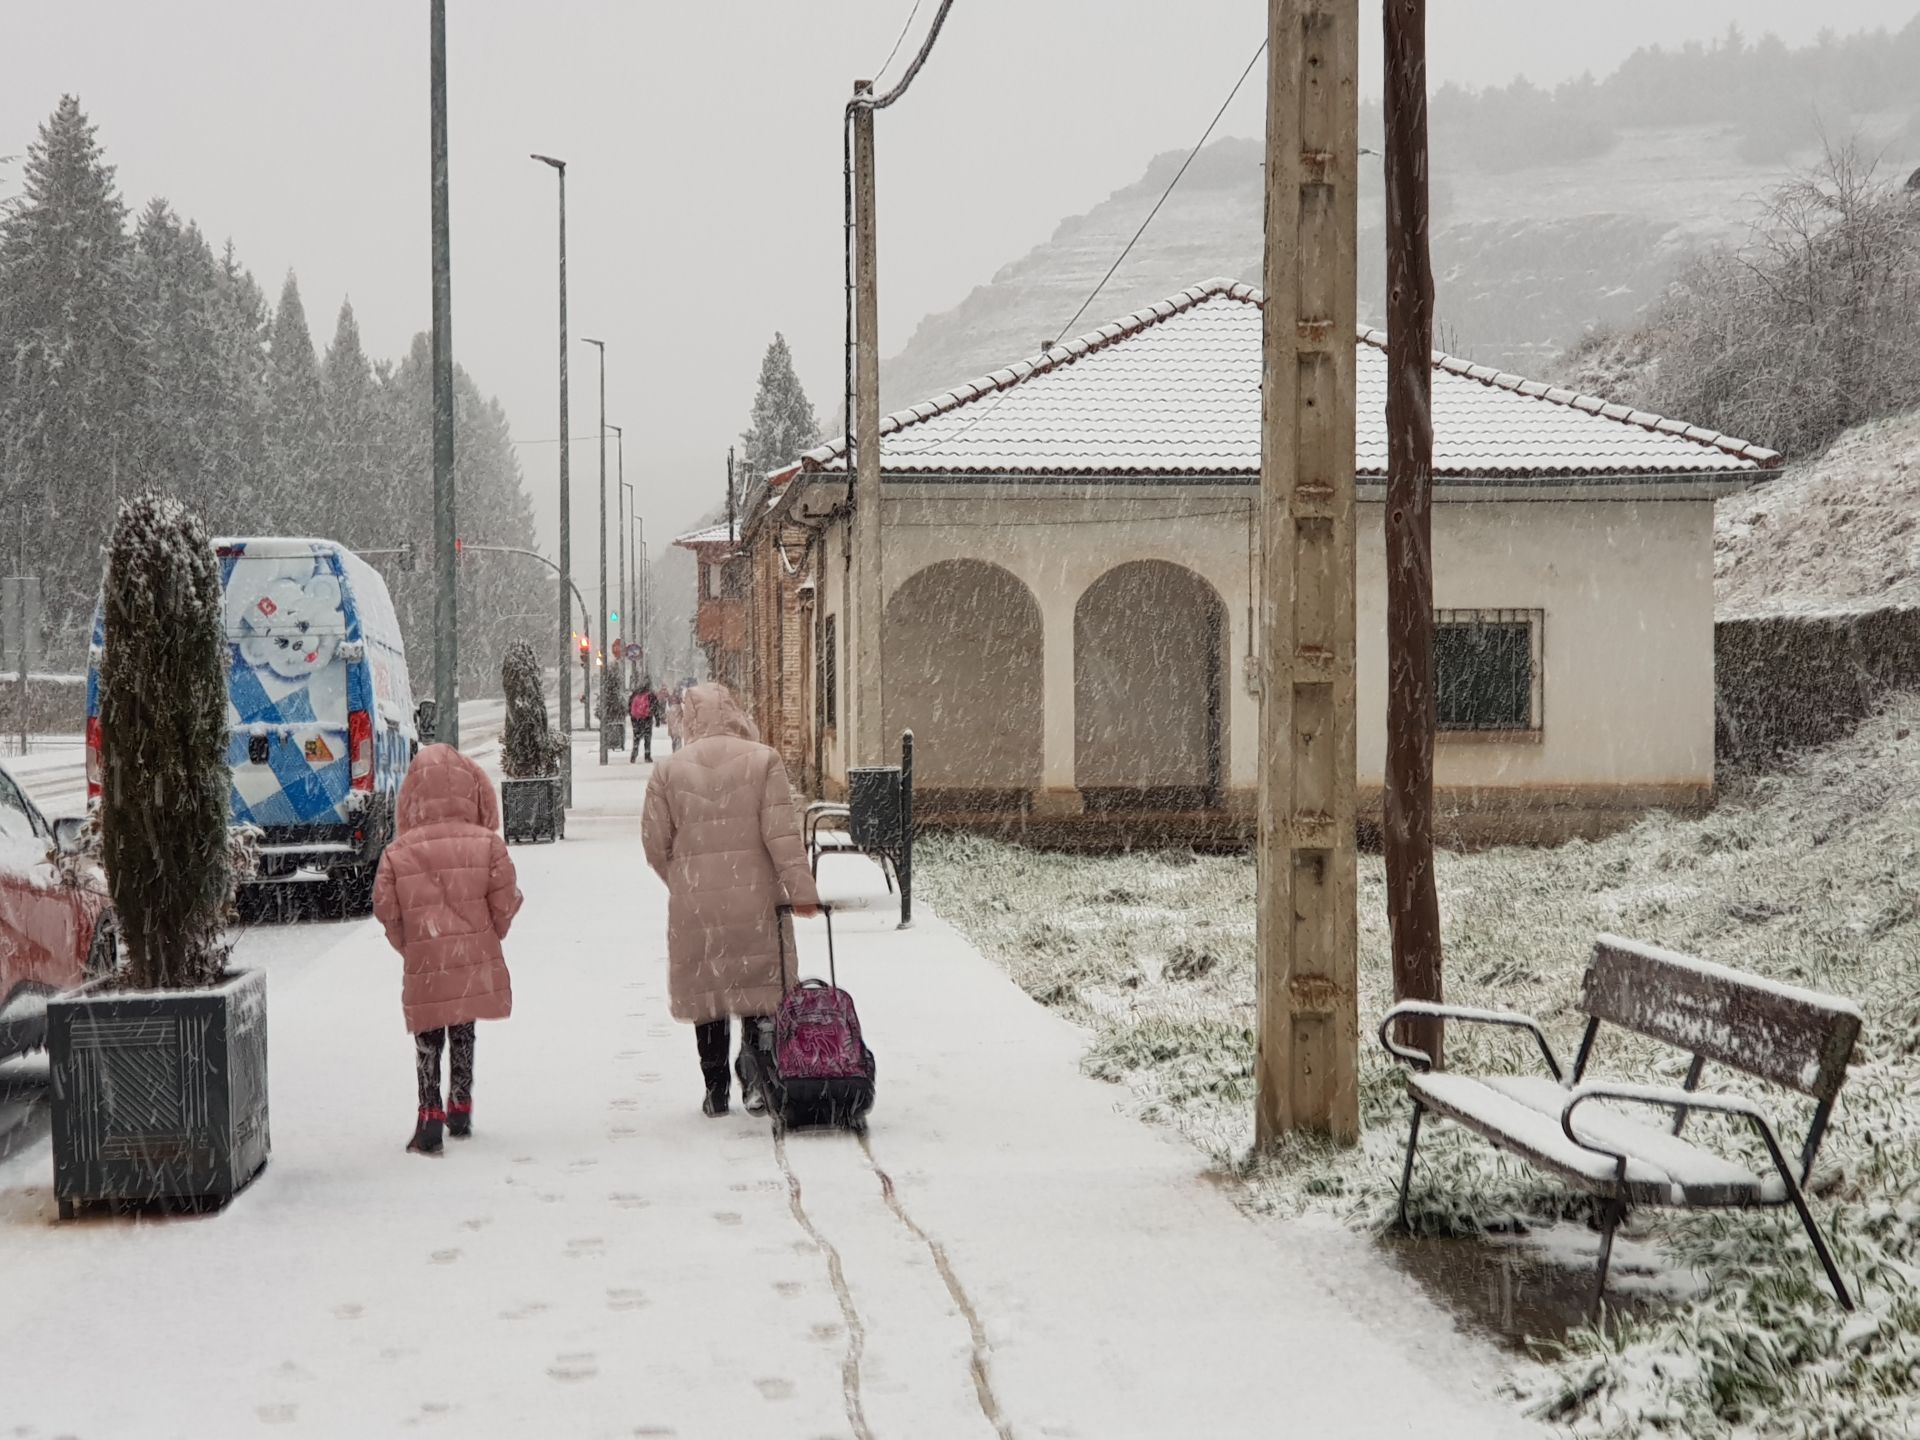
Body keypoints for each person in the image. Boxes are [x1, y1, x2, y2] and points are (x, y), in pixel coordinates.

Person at [642, 683, 820, 1117]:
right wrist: (802, 893)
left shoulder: (669, 771)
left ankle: (715, 1089)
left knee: (710, 995)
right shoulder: (763, 761)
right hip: (755, 899)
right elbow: (782, 837)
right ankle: (757, 1080)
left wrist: (684, 880)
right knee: (759, 991)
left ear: (690, 719)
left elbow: (653, 844)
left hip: (697, 905)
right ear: (735, 712)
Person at [373, 744, 523, 1155]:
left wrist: (411, 943)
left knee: (427, 1035)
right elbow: (507, 899)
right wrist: (488, 935)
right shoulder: (487, 844)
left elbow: (385, 908)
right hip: (468, 953)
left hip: (425, 953)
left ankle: (428, 1117)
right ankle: (460, 1104)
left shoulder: (397, 852)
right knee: (462, 1024)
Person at [629, 681, 655, 764]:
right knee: (647, 739)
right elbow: (655, 706)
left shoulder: (634, 695)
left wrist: (633, 719)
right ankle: (647, 756)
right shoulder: (650, 695)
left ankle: (634, 755)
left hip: (636, 719)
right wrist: (656, 718)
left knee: (636, 738)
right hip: (646, 719)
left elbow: (630, 708)